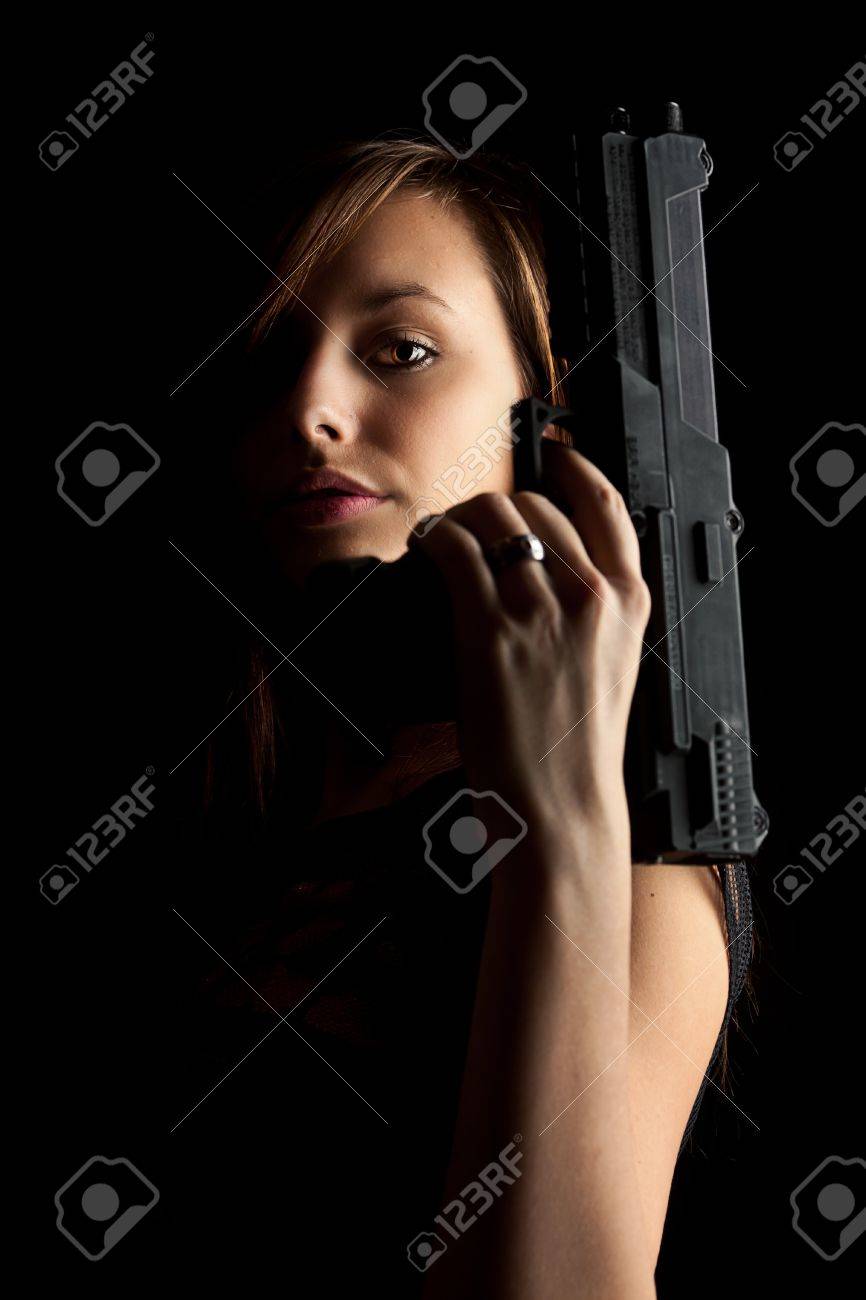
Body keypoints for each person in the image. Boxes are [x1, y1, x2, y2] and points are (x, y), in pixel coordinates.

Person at [169, 135, 754, 1297]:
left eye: (401, 350)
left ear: (545, 422)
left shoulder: (640, 877)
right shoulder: (209, 814)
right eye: (274, 359)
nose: (312, 411)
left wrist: (558, 813)